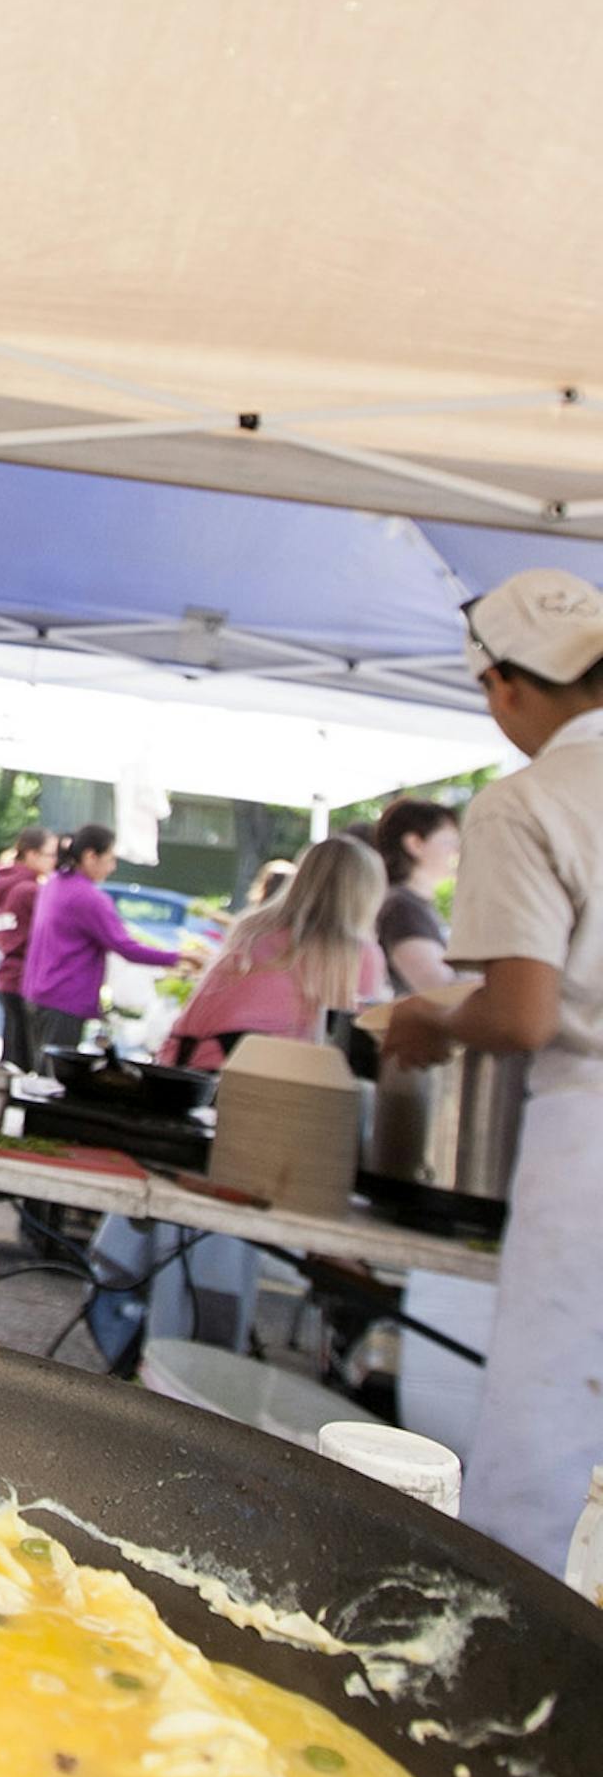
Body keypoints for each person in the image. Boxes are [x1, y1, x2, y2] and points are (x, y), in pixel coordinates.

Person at [382, 567, 603, 1571]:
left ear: (505, 685)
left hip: (588, 1138)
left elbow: (521, 1012)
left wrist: (429, 1023)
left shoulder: (530, 800)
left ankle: (524, 1697)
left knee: (543, 1444)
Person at [160, 835, 386, 1070]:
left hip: (191, 1061)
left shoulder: (252, 929)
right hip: (274, 1078)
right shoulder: (358, 954)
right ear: (367, 892)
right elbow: (359, 1042)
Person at [20, 825, 185, 1062]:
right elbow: (125, 947)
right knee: (53, 1079)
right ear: (90, 856)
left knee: (41, 1071)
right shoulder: (88, 897)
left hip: (37, 992)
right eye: (110, 859)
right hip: (64, 998)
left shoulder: (54, 883)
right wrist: (177, 958)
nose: (112, 867)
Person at [0, 826, 57, 1071]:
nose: (55, 862)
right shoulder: (29, 890)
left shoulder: (5, 884)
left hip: (8, 978)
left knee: (12, 1061)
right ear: (32, 854)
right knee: (25, 1065)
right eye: (51, 855)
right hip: (24, 979)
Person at [372, 796, 460, 994]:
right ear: (415, 844)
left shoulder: (410, 904)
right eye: (448, 841)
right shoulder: (402, 908)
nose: (457, 850)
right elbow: (441, 990)